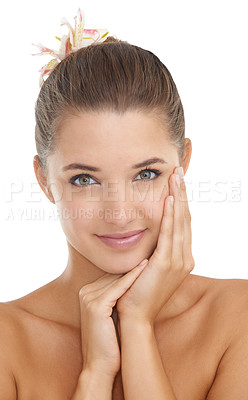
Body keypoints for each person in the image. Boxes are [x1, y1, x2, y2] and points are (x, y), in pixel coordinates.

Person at [1, 8, 248, 400]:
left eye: (146, 174)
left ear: (182, 165)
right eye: (85, 179)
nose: (118, 214)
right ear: (44, 181)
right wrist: (95, 376)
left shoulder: (238, 318)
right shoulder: (7, 342)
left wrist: (137, 325)